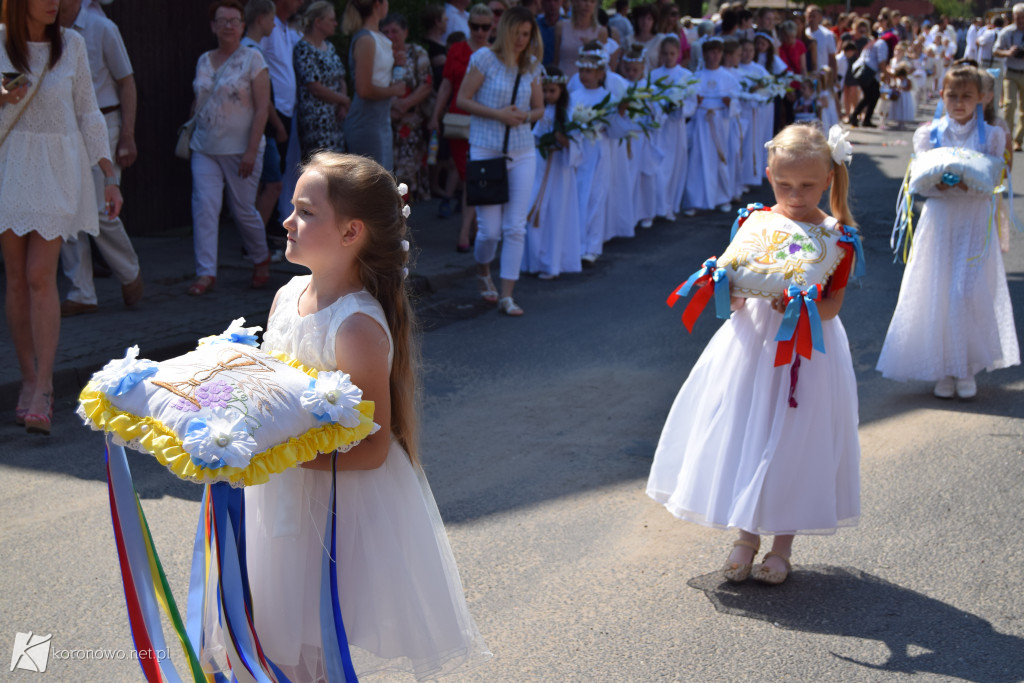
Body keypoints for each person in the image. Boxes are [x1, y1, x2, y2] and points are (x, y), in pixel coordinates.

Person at [231, 151, 490, 681]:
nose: (287, 220)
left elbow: (371, 448)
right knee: (269, 629)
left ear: (351, 233)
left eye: (305, 212)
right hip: (278, 488)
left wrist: (271, 452)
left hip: (326, 505)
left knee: (313, 637)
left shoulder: (354, 329)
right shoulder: (286, 296)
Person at [648, 123, 861, 586]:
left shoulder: (837, 238)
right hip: (750, 345)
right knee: (747, 427)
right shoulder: (754, 222)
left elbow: (833, 305)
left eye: (807, 185)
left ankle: (782, 543)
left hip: (805, 350)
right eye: (784, 184)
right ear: (769, 175)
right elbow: (738, 290)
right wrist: (729, 289)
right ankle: (745, 536)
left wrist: (802, 305)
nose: (795, 194)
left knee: (793, 439)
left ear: (828, 179)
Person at [1, 0, 123, 434]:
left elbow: (89, 111)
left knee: (39, 275)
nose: (54, 2)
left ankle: (46, 386)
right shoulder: (1, 45)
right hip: (12, 167)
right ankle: (28, 379)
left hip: (57, 169)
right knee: (16, 277)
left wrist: (109, 175)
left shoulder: (70, 44)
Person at [877, 66, 1020, 398]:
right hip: (940, 219)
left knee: (964, 292)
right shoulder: (930, 133)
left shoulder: (992, 134)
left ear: (981, 98)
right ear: (941, 95)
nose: (958, 102)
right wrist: (937, 182)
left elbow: (997, 178)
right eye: (952, 95)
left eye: (966, 96)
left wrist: (975, 181)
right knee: (938, 292)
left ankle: (965, 367)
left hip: (972, 219)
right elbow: (919, 179)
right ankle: (942, 369)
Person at [56, 0, 142, 318]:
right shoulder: (47, 29)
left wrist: (128, 135)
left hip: (103, 124)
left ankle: (130, 271)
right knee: (66, 210)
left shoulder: (102, 28)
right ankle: (82, 292)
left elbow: (127, 82)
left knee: (101, 210)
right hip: (62, 130)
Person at [457, 5, 544, 316]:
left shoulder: (531, 64)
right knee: (489, 231)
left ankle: (507, 294)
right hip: (486, 149)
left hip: (521, 151)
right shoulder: (484, 59)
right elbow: (462, 99)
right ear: (505, 31)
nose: (522, 40)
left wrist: (524, 117)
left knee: (515, 227)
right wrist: (499, 115)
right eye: (517, 33)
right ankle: (483, 270)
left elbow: (539, 109)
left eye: (527, 34)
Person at [187, 0, 271, 295]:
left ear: (243, 25)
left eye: (234, 20)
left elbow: (262, 108)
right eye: (222, 21)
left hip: (241, 150)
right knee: (205, 207)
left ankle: (261, 258)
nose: (228, 26)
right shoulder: (203, 60)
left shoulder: (253, 60)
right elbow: (198, 101)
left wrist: (251, 150)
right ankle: (205, 273)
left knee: (243, 210)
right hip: (205, 147)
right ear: (213, 26)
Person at [522, 66, 580, 279]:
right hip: (540, 165)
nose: (547, 95)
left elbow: (577, 146)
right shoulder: (540, 110)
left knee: (556, 215)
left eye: (552, 91)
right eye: (544, 91)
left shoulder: (569, 112)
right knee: (533, 210)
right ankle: (533, 261)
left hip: (559, 171)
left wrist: (562, 141)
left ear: (562, 90)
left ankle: (552, 264)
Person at [342, 0, 405, 171]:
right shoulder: (365, 40)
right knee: (373, 187)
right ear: (378, 4)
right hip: (366, 122)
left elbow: (380, 79)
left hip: (381, 121)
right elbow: (364, 89)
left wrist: (398, 67)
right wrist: (394, 90)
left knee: (382, 184)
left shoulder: (378, 38)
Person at [682, 38, 741, 215]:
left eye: (717, 52)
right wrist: (695, 101)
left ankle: (722, 197)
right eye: (710, 52)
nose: (714, 56)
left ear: (722, 54)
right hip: (701, 122)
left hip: (720, 124)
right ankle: (694, 200)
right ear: (704, 54)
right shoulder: (696, 77)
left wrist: (729, 103)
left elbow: (737, 103)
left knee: (720, 159)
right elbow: (688, 101)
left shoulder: (729, 77)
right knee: (697, 161)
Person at [382, 13, 433, 199]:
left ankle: (404, 207)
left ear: (405, 32)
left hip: (411, 120)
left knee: (407, 167)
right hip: (386, 119)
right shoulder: (379, 55)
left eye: (395, 31)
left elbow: (427, 83)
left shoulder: (417, 53)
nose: (390, 35)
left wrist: (405, 104)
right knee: (387, 167)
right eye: (385, 31)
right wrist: (392, 105)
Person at [293, 1, 348, 160]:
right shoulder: (303, 48)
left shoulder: (329, 47)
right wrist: (344, 100)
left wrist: (343, 104)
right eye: (331, 19)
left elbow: (341, 77)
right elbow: (315, 87)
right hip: (316, 123)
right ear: (318, 22)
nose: (335, 23)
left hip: (335, 120)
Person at [995, 5, 1024, 151]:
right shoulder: (1007, 32)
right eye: (1018, 17)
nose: (1020, 20)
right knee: (1009, 105)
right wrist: (1008, 52)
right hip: (1011, 73)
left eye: (1023, 17)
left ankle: (1018, 140)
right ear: (1013, 17)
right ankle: (1006, 137)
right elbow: (996, 51)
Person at [554, 0, 607, 77]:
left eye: (592, 2)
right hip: (563, 80)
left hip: (586, 83)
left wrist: (591, 47)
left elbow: (602, 63)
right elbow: (556, 58)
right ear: (575, 2)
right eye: (584, 1)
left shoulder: (601, 31)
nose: (588, 4)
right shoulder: (561, 26)